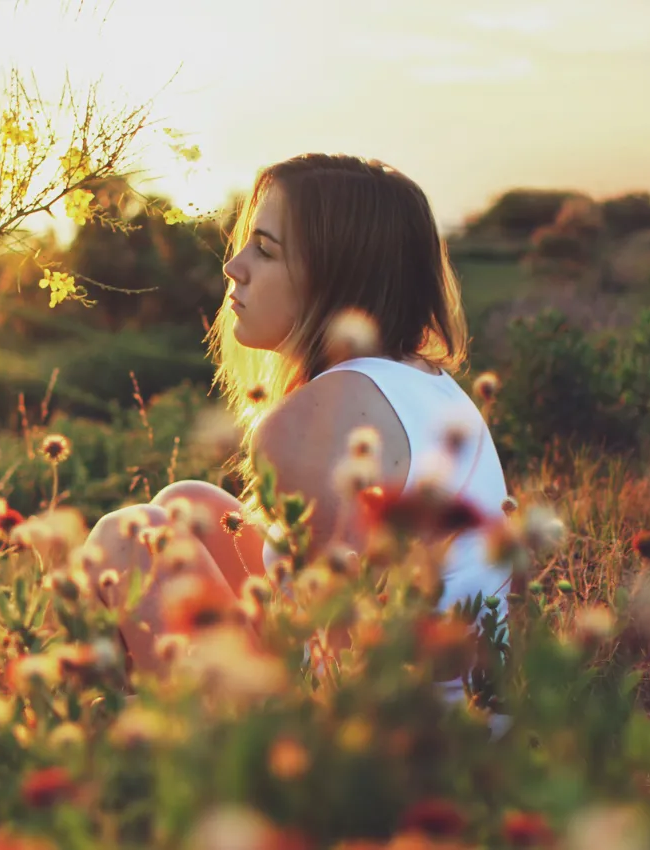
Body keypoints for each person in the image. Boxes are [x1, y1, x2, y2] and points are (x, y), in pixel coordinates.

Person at [81, 154, 512, 699]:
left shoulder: (318, 422)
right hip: (470, 712)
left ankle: (138, 734)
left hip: (396, 732)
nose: (233, 266)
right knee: (188, 505)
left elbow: (343, 665)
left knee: (129, 537)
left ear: (336, 279)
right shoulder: (424, 381)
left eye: (265, 250)